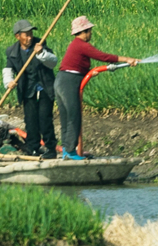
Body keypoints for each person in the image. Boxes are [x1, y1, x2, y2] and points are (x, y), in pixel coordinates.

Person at [55, 16, 140, 161]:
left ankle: (67, 151)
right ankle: (69, 151)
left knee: (66, 117)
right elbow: (103, 56)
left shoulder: (75, 45)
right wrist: (127, 59)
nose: (91, 33)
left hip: (61, 80)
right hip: (69, 81)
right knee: (73, 117)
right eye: (90, 31)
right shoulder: (81, 44)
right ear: (85, 31)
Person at [3, 19, 58, 159]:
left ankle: (50, 148)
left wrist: (41, 54)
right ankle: (33, 147)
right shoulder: (12, 52)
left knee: (45, 118)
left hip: (44, 87)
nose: (29, 37)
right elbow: (8, 69)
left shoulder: (40, 45)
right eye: (26, 35)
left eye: (30, 34)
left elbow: (53, 62)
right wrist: (9, 82)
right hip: (27, 90)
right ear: (18, 36)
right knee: (30, 120)